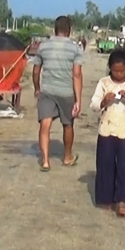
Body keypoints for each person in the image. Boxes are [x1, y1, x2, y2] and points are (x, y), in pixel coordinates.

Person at [90, 49, 125, 217]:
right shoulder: (104, 82)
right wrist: (104, 101)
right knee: (105, 164)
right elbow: (93, 104)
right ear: (110, 68)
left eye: (122, 71)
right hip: (106, 129)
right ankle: (106, 198)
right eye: (115, 71)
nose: (119, 74)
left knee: (124, 166)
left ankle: (122, 200)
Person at [32, 16, 83, 171]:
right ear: (69, 30)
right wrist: (78, 100)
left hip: (47, 90)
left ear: (55, 29)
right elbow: (76, 75)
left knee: (45, 125)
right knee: (68, 125)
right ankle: (67, 157)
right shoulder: (75, 48)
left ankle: (46, 161)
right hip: (67, 92)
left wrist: (37, 87)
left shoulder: (43, 47)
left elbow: (36, 70)